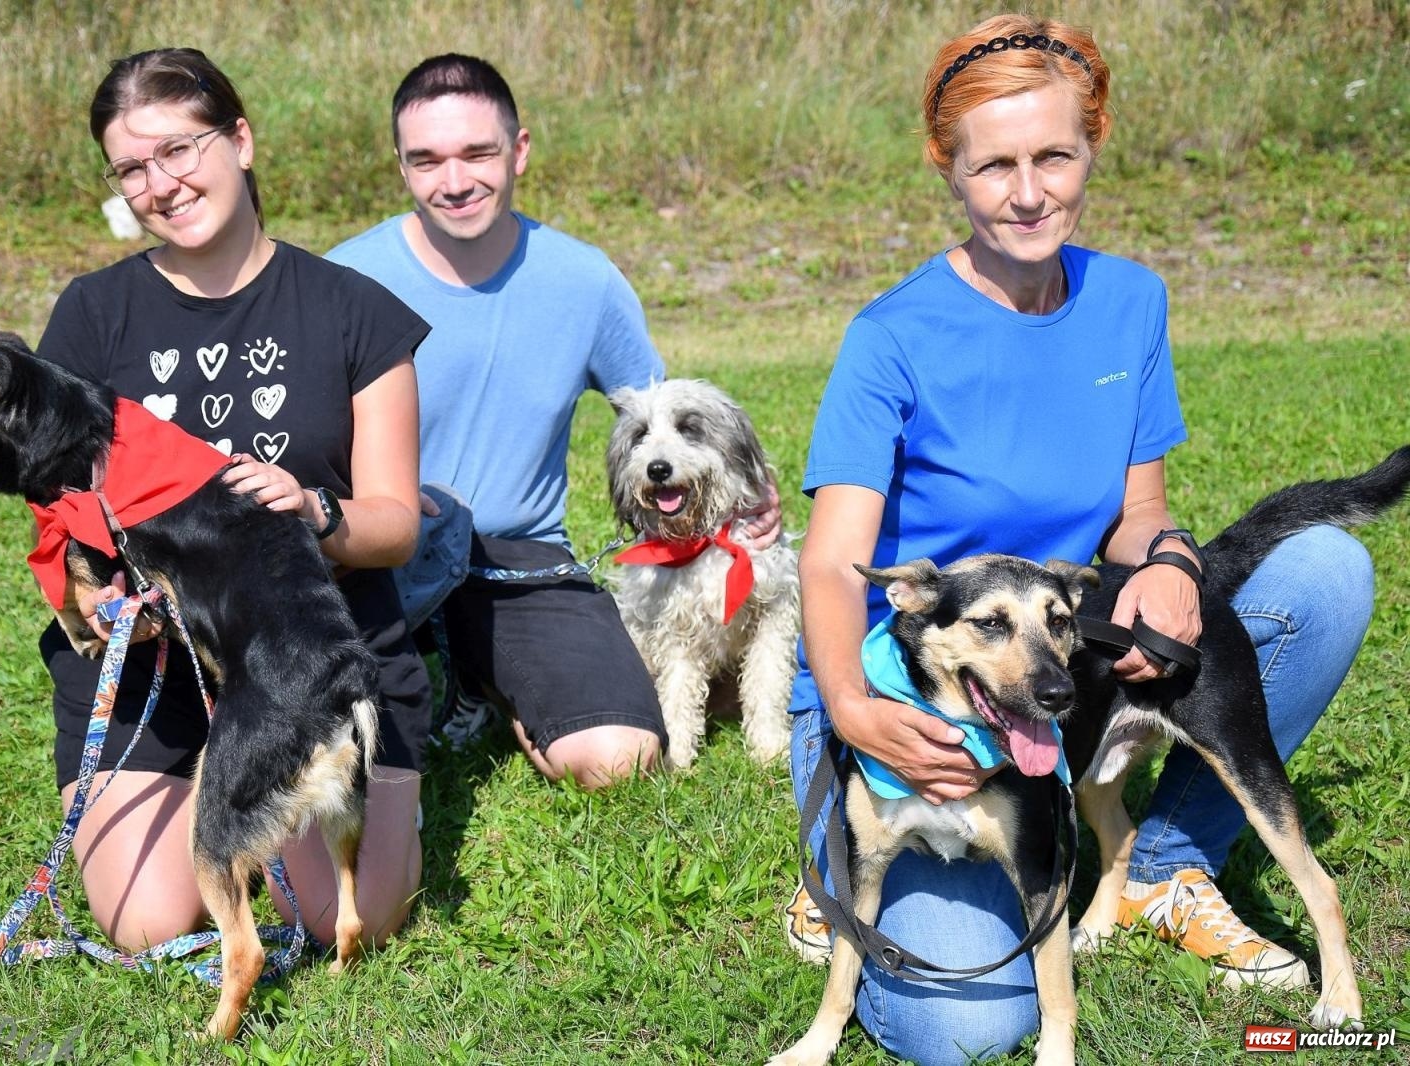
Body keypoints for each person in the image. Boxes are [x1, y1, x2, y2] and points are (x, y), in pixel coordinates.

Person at [785, 15, 1375, 1065]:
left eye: (1053, 155)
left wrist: (1167, 563)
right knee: (956, 1026)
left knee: (1326, 572)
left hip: (1061, 653)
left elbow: (1137, 511)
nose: (1028, 191)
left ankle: (1161, 867)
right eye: (994, 165)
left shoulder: (1130, 302)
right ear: (948, 168)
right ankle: (845, 857)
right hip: (906, 684)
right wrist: (850, 709)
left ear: (1093, 143)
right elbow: (832, 563)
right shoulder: (890, 337)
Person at [34, 47, 431, 955]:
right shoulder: (93, 315)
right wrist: (89, 603)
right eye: (133, 167)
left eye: (181, 150)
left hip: (310, 660)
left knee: (334, 921)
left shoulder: (355, 311)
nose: (162, 184)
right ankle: (187, 780)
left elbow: (396, 525)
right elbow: (58, 518)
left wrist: (314, 511)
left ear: (240, 140)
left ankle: (377, 758)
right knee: (148, 920)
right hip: (157, 669)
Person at [325, 54, 780, 789]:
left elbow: (662, 416)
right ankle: (455, 670)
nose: (455, 179)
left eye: (479, 152)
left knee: (622, 758)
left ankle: (493, 677)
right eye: (427, 160)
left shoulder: (585, 279)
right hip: (375, 553)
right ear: (401, 166)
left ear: (520, 150)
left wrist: (750, 489)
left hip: (519, 560)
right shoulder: (343, 279)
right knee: (325, 755)